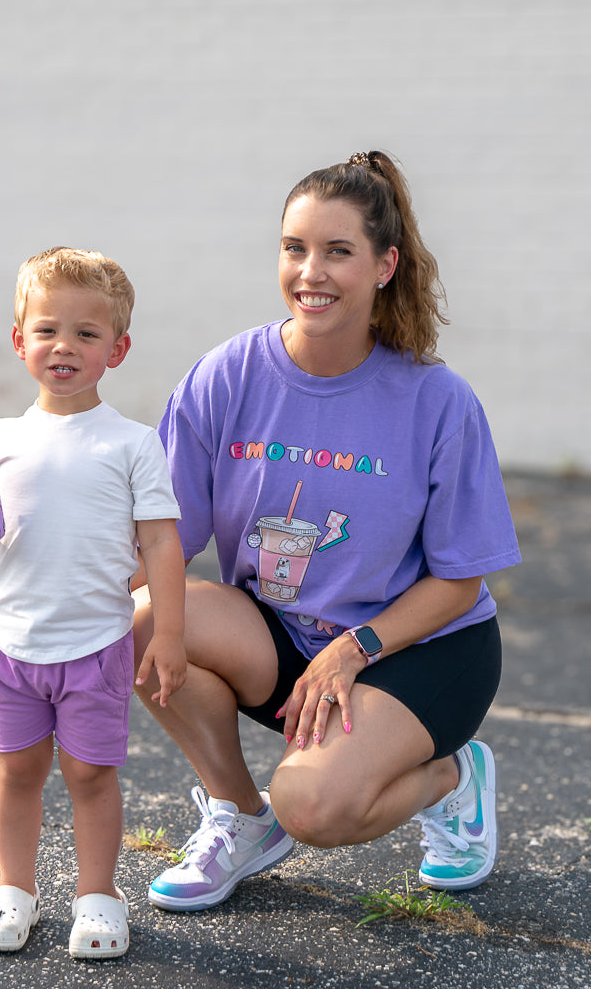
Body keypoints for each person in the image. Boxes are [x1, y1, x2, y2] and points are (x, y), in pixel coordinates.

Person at [129, 150, 521, 912]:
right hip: (286, 640)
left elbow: (461, 579)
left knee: (314, 805)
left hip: (417, 649)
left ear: (384, 265)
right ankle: (241, 818)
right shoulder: (229, 374)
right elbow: (159, 538)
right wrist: (14, 570)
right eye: (295, 248)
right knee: (139, 625)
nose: (311, 271)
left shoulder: (437, 401)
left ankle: (449, 774)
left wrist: (355, 649)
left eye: (338, 251)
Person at [0, 247, 186, 958]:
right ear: (19, 342)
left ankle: (98, 895)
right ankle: (15, 888)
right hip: (9, 645)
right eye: (46, 329)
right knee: (17, 772)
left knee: (91, 776)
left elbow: (161, 545)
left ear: (117, 349)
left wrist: (168, 634)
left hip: (96, 645)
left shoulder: (133, 445)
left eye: (86, 333)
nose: (63, 345)